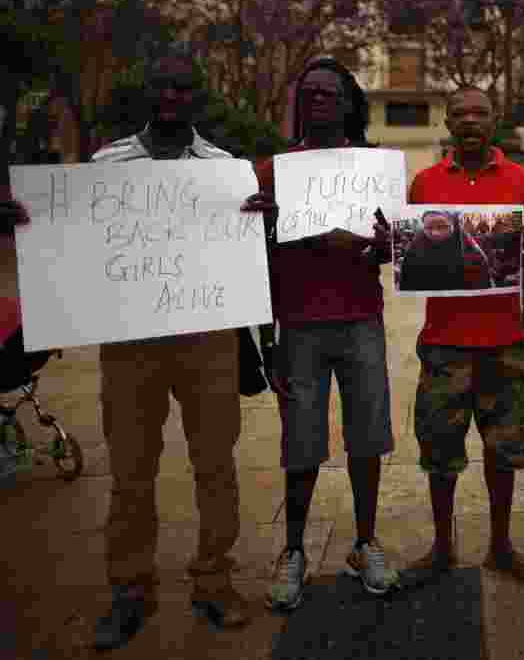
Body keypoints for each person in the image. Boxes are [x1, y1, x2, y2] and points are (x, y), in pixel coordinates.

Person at [25, 45, 253, 649]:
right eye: (165, 87)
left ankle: (214, 578)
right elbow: (74, 241)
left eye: (185, 88)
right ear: (149, 94)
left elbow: (239, 249)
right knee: (131, 471)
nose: (174, 98)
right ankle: (129, 587)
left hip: (208, 337)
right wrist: (33, 221)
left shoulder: (226, 168)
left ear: (198, 98)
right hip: (130, 340)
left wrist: (258, 218)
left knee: (216, 466)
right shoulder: (106, 164)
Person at [241, 57, 398, 610]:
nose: (320, 101)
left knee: (369, 436)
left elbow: (395, 246)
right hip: (299, 327)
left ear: (351, 102)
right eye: (309, 92)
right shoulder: (271, 171)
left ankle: (364, 542)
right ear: (298, 103)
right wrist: (267, 340)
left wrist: (384, 245)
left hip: (362, 319)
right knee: (301, 441)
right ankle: (293, 551)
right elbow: (248, 260)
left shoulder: (376, 166)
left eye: (331, 93)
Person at [404, 86, 524, 586]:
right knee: (440, 453)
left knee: (504, 450)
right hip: (444, 341)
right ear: (446, 121)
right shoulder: (424, 183)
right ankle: (442, 548)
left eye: (479, 113)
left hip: (504, 339)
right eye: (460, 113)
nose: (470, 121)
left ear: (495, 119)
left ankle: (501, 547)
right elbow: (413, 253)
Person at [398, 210, 494, 291]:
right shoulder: (413, 251)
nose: (435, 233)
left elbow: (483, 288)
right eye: (429, 228)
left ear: (454, 226)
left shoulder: (472, 253)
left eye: (442, 226)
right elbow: (406, 286)